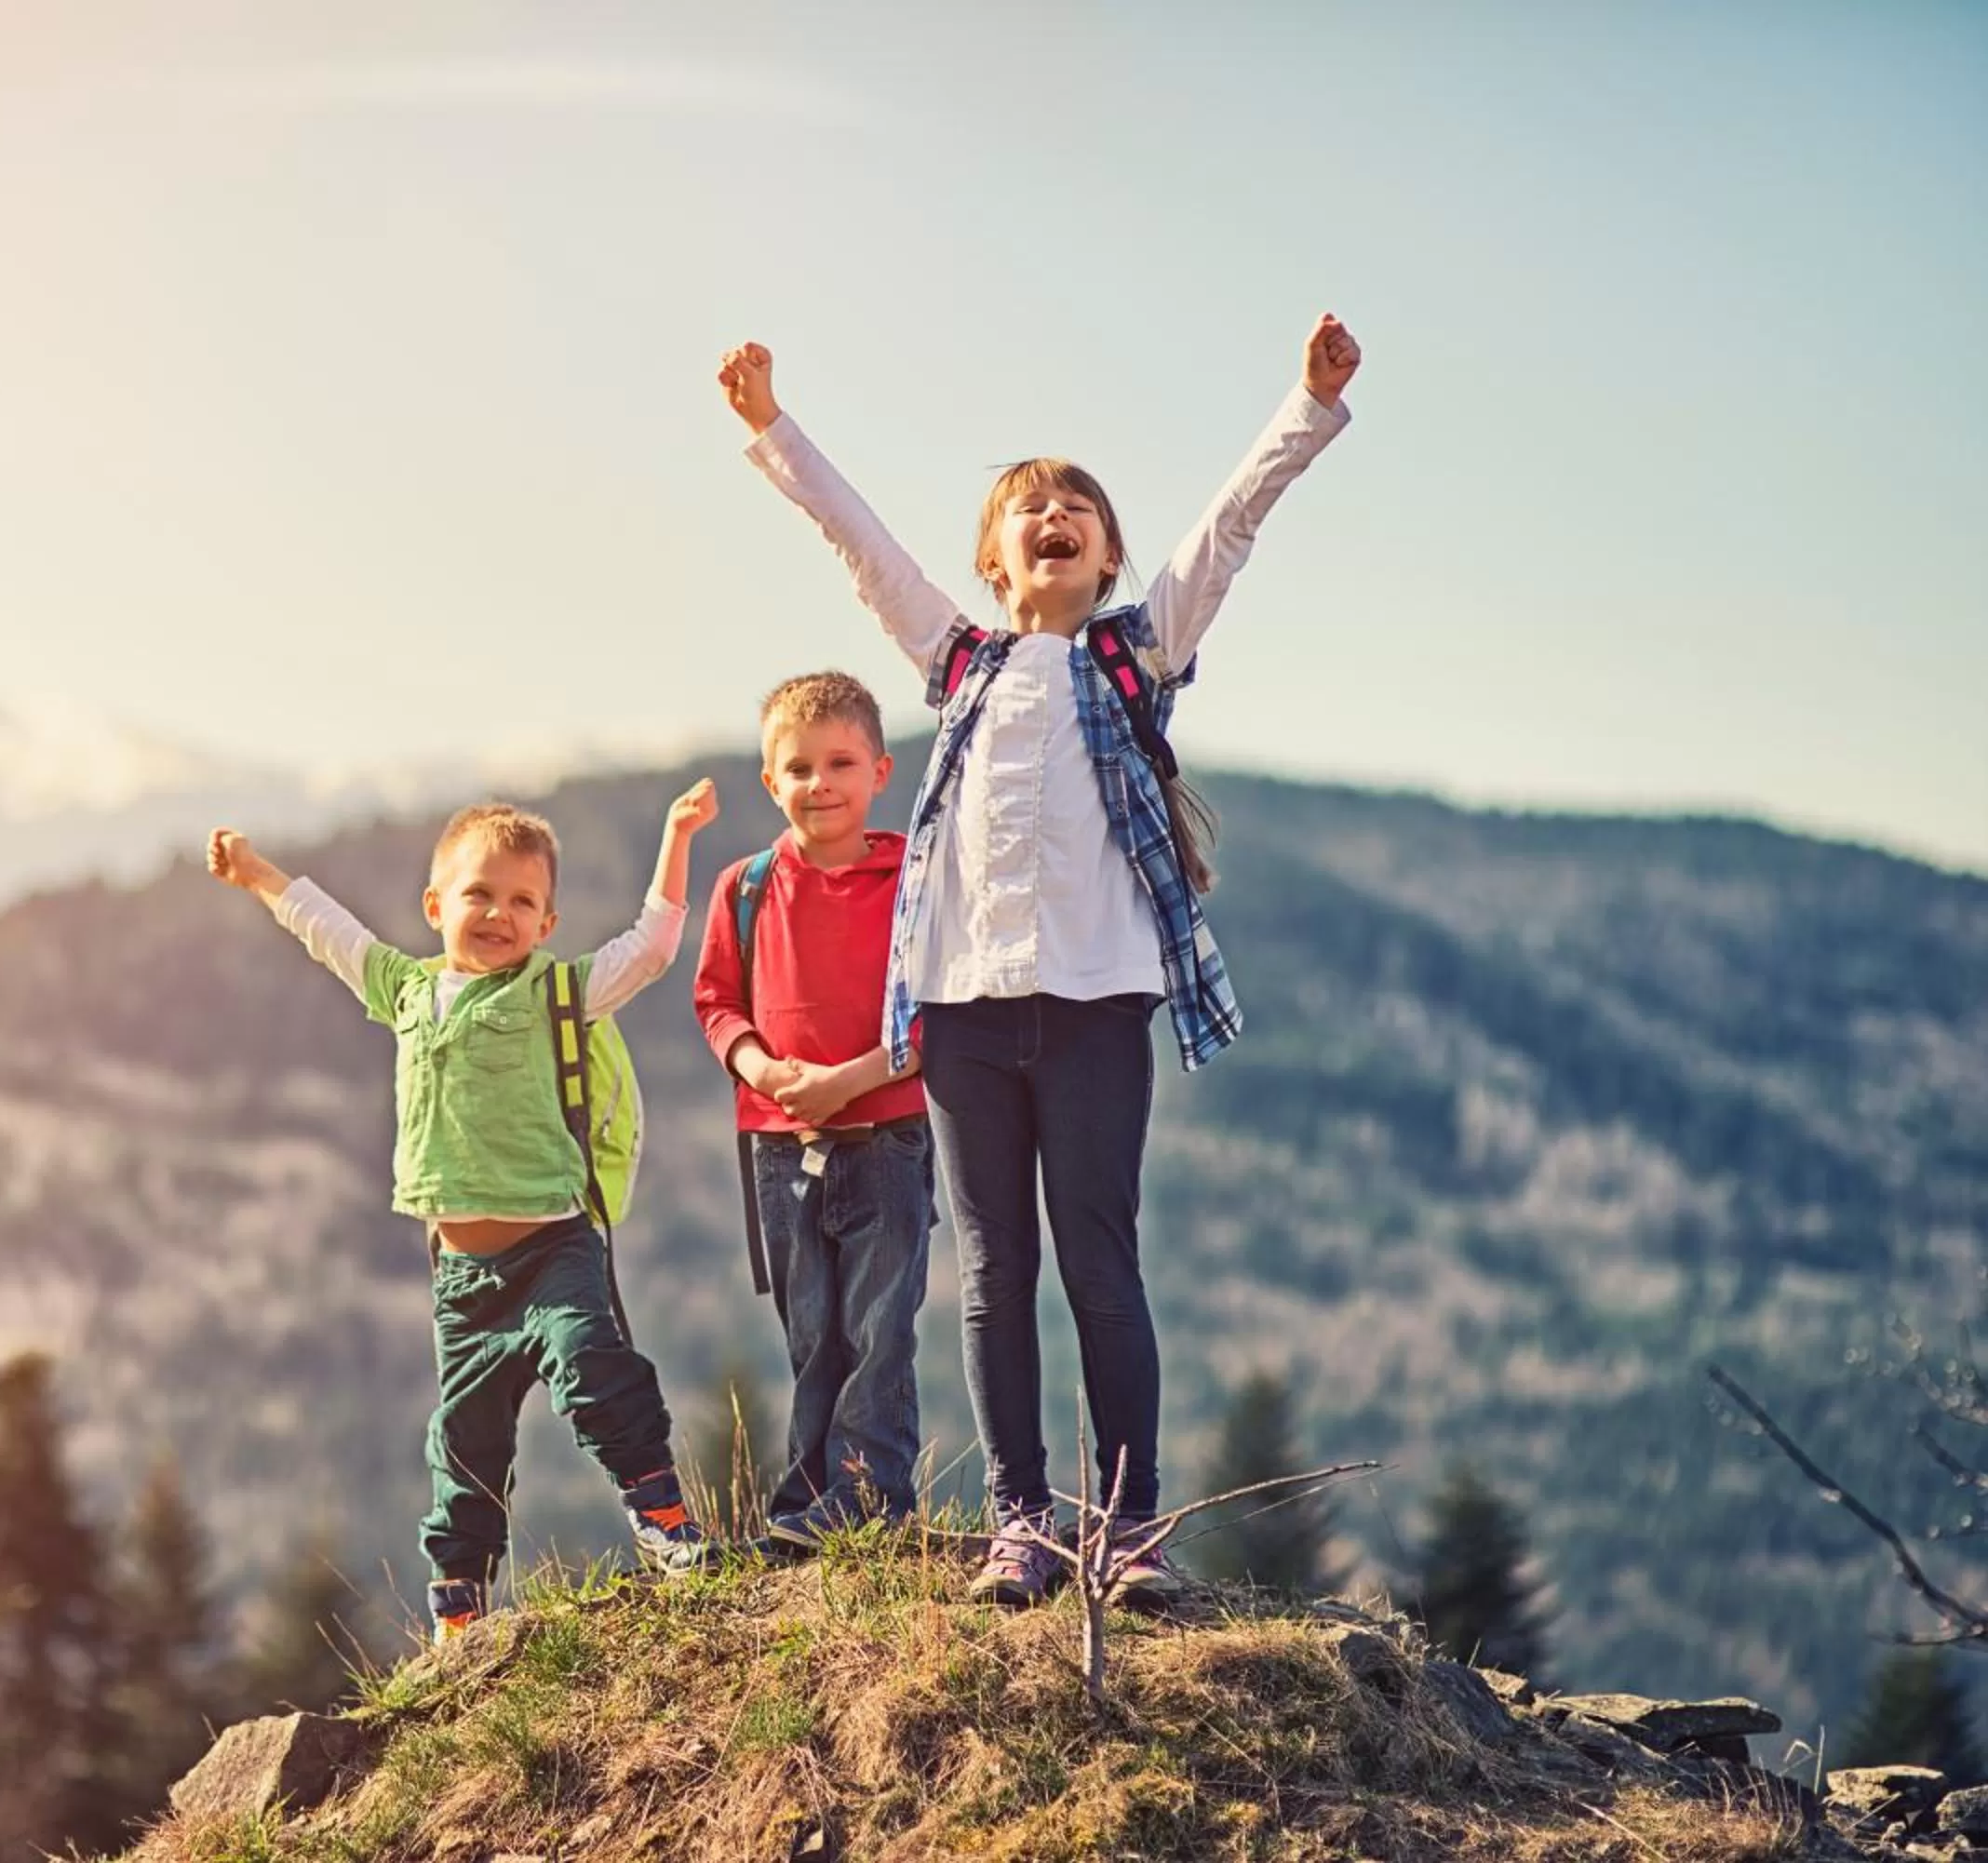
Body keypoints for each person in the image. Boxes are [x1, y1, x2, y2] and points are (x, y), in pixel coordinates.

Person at [715, 315, 1363, 1605]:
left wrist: (1308, 401)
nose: (1053, 514)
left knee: (1099, 1256)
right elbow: (862, 547)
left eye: (1078, 505)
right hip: (961, 1018)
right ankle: (1019, 1516)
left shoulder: (1135, 654)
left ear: (1109, 553)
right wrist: (773, 430)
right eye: (1027, 506)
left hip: (1094, 1009)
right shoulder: (956, 662)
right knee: (994, 1266)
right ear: (992, 561)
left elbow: (1229, 528)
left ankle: (1128, 1527)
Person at [205, 782, 721, 1641]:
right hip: (462, 1279)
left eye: (523, 902)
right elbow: (330, 933)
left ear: (547, 925)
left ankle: (664, 1520)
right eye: (479, 893)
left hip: (555, 1247)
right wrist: (259, 873)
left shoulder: (556, 995)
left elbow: (652, 948)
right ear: (436, 904)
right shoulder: (405, 991)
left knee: (593, 1365)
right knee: (466, 1440)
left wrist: (675, 837)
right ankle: (460, 1601)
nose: (498, 914)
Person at [692, 671, 932, 1555]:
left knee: (879, 1325)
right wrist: (760, 1067)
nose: (818, 784)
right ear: (769, 781)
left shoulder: (913, 876)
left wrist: (853, 1080)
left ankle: (871, 1503)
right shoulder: (745, 888)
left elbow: (940, 1007)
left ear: (880, 771)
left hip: (888, 1139)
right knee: (812, 1331)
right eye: (797, 767)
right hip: (779, 1146)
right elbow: (718, 1001)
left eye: (840, 763)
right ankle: (806, 1507)